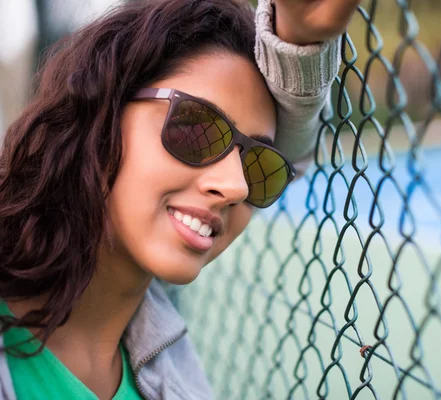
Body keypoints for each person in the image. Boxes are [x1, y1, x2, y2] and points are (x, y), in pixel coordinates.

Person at [0, 0, 359, 398]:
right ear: (103, 112)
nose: (237, 187)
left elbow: (296, 153)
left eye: (260, 164)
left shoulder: (177, 380)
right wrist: (295, 41)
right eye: (196, 126)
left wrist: (298, 47)